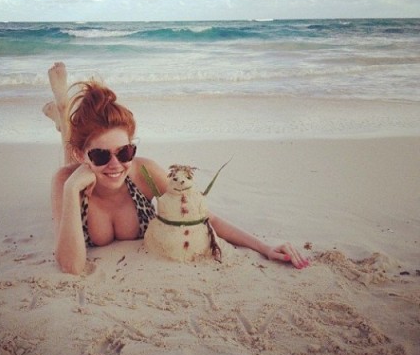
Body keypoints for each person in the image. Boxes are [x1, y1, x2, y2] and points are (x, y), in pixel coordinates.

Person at [44, 62, 310, 275]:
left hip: (84, 157)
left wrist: (264, 247)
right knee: (69, 163)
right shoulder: (67, 182)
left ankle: (64, 116)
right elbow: (72, 266)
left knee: (90, 157)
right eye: (101, 155)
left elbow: (204, 217)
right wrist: (71, 189)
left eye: (124, 152)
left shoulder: (143, 173)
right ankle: (64, 113)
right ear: (84, 155)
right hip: (75, 167)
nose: (115, 165)